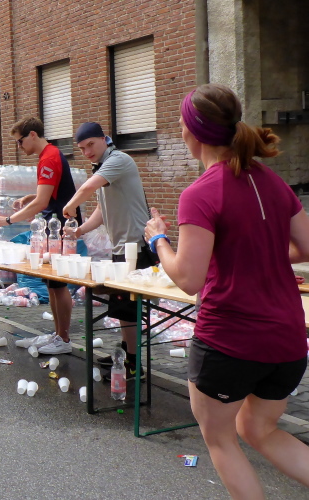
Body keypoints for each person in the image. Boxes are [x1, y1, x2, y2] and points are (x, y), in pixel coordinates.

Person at [144, 83, 309, 499]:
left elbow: (188, 278)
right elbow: (307, 247)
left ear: (194, 132)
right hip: (288, 339)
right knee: (259, 428)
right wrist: (259, 255)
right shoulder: (273, 182)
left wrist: (158, 240)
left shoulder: (200, 193)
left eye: (181, 122)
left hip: (230, 341)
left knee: (220, 439)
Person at [61, 121, 155, 379]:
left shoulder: (118, 160)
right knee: (122, 306)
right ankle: (126, 354)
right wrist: (80, 230)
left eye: (90, 145)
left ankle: (134, 364)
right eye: (82, 148)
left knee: (129, 308)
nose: (87, 152)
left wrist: (70, 205)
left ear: (104, 139)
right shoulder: (103, 166)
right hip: (122, 246)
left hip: (136, 246)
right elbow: (102, 210)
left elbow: (87, 188)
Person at [0, 117, 81, 356]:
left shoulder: (49, 158)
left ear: (33, 134)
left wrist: (9, 220)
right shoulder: (49, 155)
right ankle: (58, 334)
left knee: (58, 283)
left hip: (60, 227)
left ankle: (63, 338)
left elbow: (43, 202)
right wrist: (29, 198)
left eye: (20, 141)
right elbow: (49, 194)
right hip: (55, 225)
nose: (19, 146)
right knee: (52, 283)